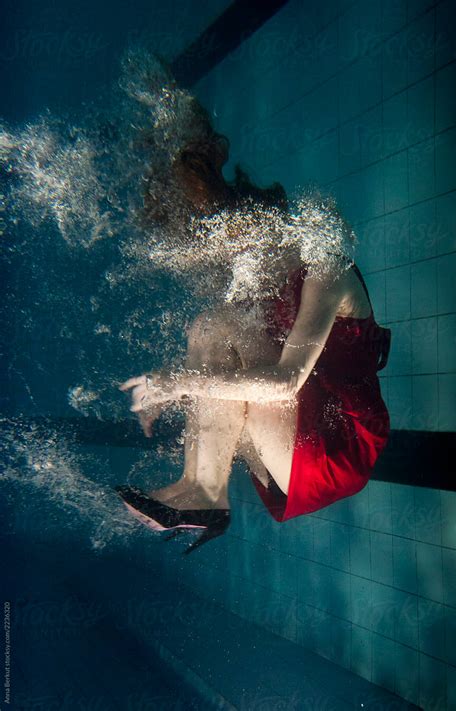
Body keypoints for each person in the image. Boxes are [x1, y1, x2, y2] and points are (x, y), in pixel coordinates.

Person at [115, 103, 391, 555]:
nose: (229, 260)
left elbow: (283, 384)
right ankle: (199, 488)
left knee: (238, 353)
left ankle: (205, 495)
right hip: (296, 431)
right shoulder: (261, 273)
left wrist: (177, 382)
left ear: (251, 222)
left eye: (227, 242)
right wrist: (180, 390)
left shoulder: (324, 264)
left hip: (335, 448)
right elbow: (222, 360)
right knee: (213, 326)